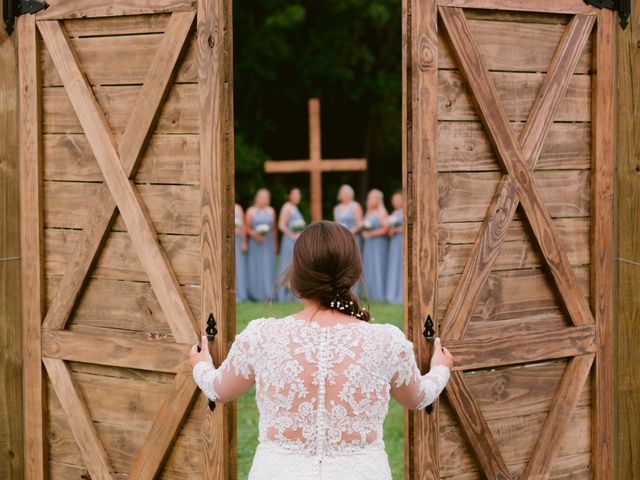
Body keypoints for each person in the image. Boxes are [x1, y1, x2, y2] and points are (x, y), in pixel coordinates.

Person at [190, 221, 453, 480]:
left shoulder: (261, 336)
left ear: (296, 273)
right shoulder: (386, 341)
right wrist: (440, 369)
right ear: (355, 274)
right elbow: (418, 396)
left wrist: (201, 364)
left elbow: (218, 389)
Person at [245, 189, 278, 302]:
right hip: (255, 243)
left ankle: (269, 293)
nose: (264, 200)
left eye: (266, 197)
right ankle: (256, 293)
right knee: (256, 266)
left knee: (268, 266)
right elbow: (246, 228)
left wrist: (275, 244)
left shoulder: (271, 211)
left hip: (267, 242)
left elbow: (273, 229)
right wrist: (255, 235)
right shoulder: (251, 211)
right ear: (257, 198)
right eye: (262, 197)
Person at [277, 188, 305, 302]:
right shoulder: (287, 207)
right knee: (288, 266)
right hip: (289, 241)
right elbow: (281, 225)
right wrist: (292, 234)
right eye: (296, 194)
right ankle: (284, 294)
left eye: (299, 194)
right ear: (290, 195)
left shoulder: (295, 207)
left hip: (295, 241)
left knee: (295, 266)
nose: (298, 196)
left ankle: (294, 293)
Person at [362, 189, 389, 302]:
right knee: (369, 266)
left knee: (378, 266)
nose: (370, 200)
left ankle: (379, 294)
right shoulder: (368, 212)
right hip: (369, 244)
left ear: (378, 199)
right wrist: (364, 233)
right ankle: (370, 294)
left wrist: (371, 234)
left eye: (372, 198)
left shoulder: (382, 212)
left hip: (378, 244)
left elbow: (386, 229)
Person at [385, 191, 403, 304]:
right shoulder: (394, 213)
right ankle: (392, 293)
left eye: (397, 199)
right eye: (393, 199)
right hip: (394, 242)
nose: (395, 201)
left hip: (401, 241)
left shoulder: (405, 211)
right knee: (394, 265)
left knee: (400, 265)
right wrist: (390, 231)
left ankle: (400, 294)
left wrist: (396, 230)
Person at [333, 184, 363, 251]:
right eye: (342, 193)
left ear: (350, 194)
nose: (343, 195)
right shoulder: (336, 208)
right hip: (340, 237)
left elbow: (359, 224)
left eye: (346, 194)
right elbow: (335, 223)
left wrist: (348, 232)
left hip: (353, 236)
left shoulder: (356, 206)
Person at [235, 203, 248, 302]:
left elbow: (243, 226)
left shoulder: (238, 208)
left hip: (238, 240)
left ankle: (241, 293)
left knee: (239, 267)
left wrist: (244, 242)